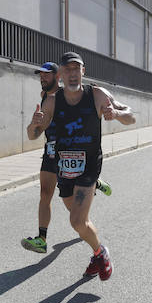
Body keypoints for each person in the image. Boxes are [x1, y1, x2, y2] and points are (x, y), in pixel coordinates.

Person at [27, 52, 135, 280]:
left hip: (89, 166)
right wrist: (33, 124)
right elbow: (33, 135)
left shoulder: (97, 94)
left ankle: (102, 253)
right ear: (61, 74)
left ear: (83, 71)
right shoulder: (52, 101)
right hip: (64, 167)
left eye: (76, 69)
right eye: (68, 70)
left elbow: (131, 116)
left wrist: (116, 114)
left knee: (76, 220)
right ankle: (98, 253)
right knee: (79, 219)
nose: (73, 74)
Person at [21, 61, 113, 254]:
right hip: (51, 151)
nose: (42, 78)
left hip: (72, 153)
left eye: (46, 74)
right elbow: (35, 131)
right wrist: (34, 124)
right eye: (40, 75)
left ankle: (90, 196)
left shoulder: (70, 95)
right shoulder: (45, 97)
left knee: (74, 210)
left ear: (58, 76)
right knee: (45, 193)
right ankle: (42, 239)